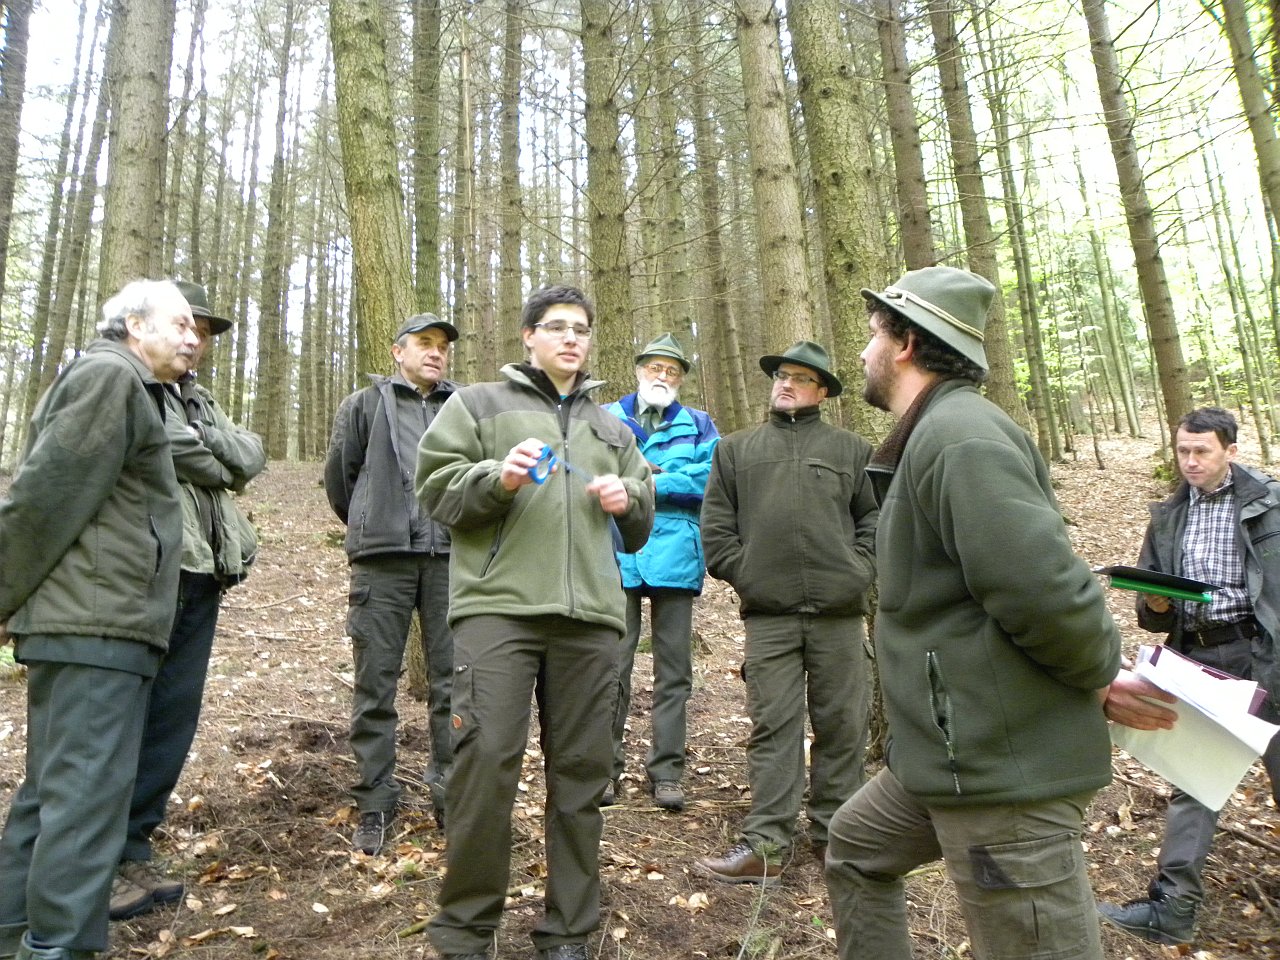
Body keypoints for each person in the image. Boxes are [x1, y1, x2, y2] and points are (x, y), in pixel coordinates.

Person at [823, 266, 1124, 960]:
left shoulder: (962, 437)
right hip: (946, 757)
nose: (863, 352)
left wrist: (1102, 673)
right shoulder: (931, 435)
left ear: (904, 344)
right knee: (856, 848)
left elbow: (1042, 589)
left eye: (873, 335)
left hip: (1000, 769)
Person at [416, 285, 654, 960]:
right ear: (528, 336)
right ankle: (466, 929)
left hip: (592, 620)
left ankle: (569, 930)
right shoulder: (477, 405)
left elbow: (641, 520)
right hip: (499, 611)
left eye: (580, 328)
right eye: (556, 326)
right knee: (485, 763)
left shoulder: (613, 428)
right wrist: (499, 479)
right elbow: (435, 490)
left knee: (581, 775)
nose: (571, 338)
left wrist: (630, 497)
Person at [0, 280, 198, 960]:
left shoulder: (129, 384)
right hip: (95, 624)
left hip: (100, 622)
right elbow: (44, 496)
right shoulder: (109, 377)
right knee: (86, 802)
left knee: (53, 794)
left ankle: (13, 935)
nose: (193, 337)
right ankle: (59, 948)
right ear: (134, 324)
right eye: (179, 323)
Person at [109, 281, 266, 920]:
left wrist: (219, 455)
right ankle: (96, 859)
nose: (194, 340)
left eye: (202, 331)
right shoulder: (132, 386)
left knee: (173, 716)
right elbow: (178, 452)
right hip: (152, 572)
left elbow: (250, 455)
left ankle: (133, 846)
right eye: (186, 326)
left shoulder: (197, 397)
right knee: (126, 714)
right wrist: (220, 462)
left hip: (204, 571)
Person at [696, 340, 877, 885]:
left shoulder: (852, 450)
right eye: (781, 376)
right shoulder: (736, 450)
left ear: (822, 392)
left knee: (842, 726)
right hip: (768, 616)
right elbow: (716, 526)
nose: (786, 384)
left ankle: (836, 838)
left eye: (800, 378)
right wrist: (745, 571)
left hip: (839, 615)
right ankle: (767, 846)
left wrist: (858, 570)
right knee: (773, 726)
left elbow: (874, 521)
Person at [1098, 406, 1280, 946]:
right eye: (1183, 451)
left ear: (1231, 450)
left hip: (1261, 654)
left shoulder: (1270, 504)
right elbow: (1153, 611)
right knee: (1195, 779)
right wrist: (1155, 601)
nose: (1191, 461)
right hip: (1197, 657)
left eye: (1202, 451)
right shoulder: (1170, 514)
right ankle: (1173, 908)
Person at [324, 312, 462, 854]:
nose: (435, 353)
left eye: (442, 346)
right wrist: (373, 522)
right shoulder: (364, 406)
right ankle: (375, 803)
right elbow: (341, 480)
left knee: (454, 683)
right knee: (375, 683)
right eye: (424, 343)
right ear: (397, 352)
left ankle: (450, 797)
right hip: (382, 563)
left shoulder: (462, 406)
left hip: (451, 559)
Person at [603, 333, 719, 812]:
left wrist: (652, 480)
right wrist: (644, 480)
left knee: (674, 672)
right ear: (638, 370)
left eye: (672, 370)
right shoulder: (608, 417)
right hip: (617, 551)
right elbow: (595, 471)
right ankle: (604, 769)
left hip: (676, 554)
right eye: (654, 367)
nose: (662, 376)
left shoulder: (700, 423)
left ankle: (667, 770)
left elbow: (710, 479)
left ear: (681, 380)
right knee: (612, 665)